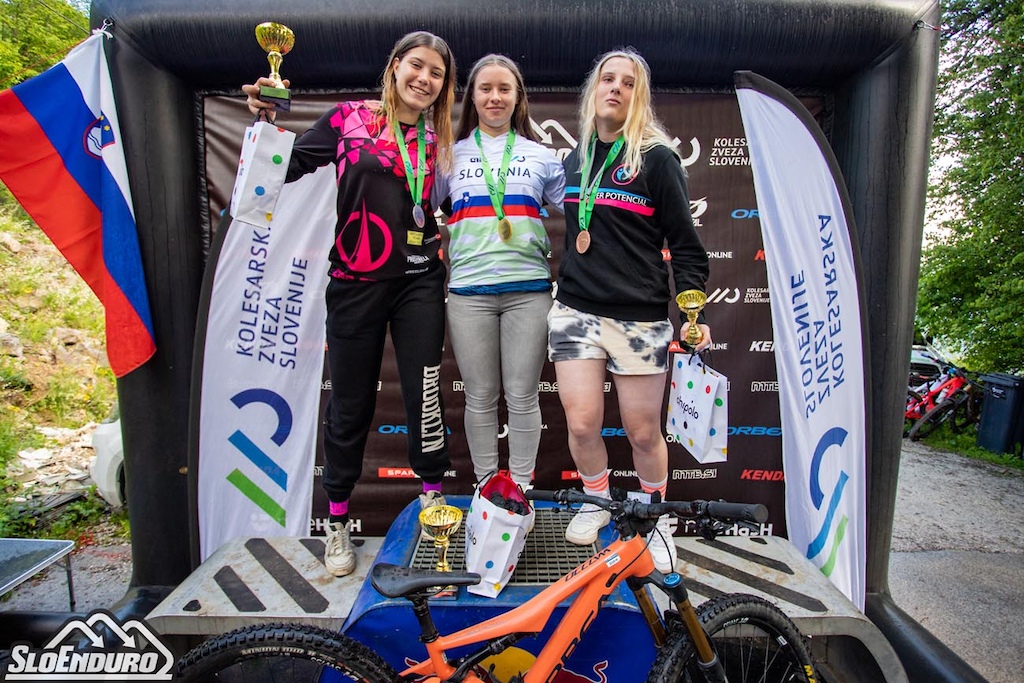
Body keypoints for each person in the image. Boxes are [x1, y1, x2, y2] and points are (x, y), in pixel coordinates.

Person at [242, 31, 457, 578]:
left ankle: (433, 506)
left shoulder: (444, 140)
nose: (424, 79)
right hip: (356, 281)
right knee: (351, 406)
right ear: (394, 66)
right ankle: (337, 521)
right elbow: (285, 167)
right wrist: (266, 120)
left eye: (435, 72)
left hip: (419, 282)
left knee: (424, 398)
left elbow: (458, 206)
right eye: (416, 66)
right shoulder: (348, 120)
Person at [548, 48, 711, 572]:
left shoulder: (657, 159)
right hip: (575, 313)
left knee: (643, 432)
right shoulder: (576, 159)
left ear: (639, 96)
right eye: (607, 79)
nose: (615, 88)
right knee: (581, 426)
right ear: (593, 89)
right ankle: (598, 502)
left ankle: (654, 516)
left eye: (627, 82)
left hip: (639, 320)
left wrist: (692, 311)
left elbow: (686, 246)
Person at [432, 55, 565, 490]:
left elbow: (584, 210)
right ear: (472, 96)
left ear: (518, 97)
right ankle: (489, 487)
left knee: (524, 396)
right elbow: (417, 202)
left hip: (528, 292)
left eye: (504, 89)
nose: (494, 97)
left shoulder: (542, 156)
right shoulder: (447, 154)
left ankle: (521, 488)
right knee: (480, 398)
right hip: (469, 294)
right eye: (485, 88)